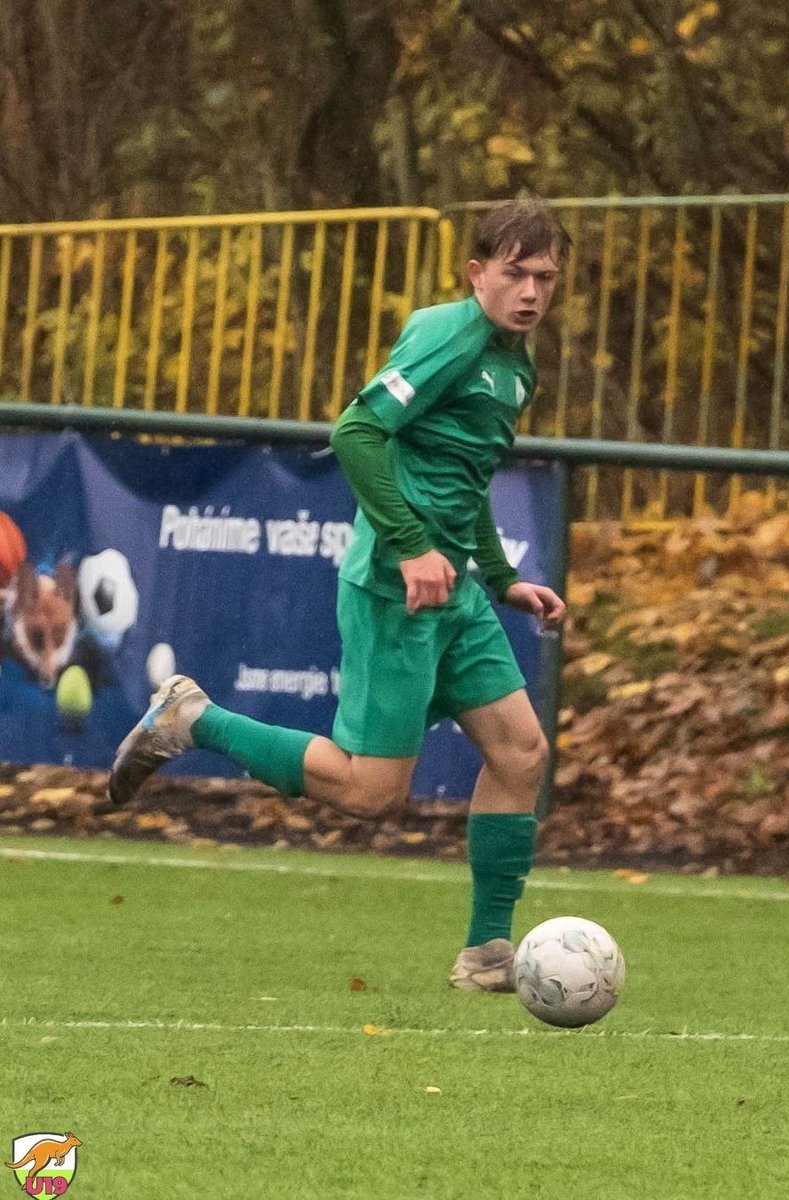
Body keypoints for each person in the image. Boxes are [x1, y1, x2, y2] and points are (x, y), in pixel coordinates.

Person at [109, 197, 571, 992]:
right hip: (400, 589)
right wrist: (413, 545)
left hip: (454, 593)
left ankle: (489, 953)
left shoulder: (514, 359)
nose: (531, 291)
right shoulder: (447, 335)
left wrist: (500, 578)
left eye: (546, 277)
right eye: (515, 272)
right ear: (477, 273)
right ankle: (193, 719)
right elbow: (357, 432)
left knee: (521, 751)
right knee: (370, 792)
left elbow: (464, 480)